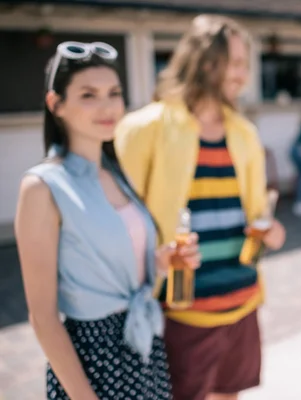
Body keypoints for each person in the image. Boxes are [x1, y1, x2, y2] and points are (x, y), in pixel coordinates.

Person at [14, 41, 200, 400]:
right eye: (88, 95)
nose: (107, 106)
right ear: (56, 105)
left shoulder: (117, 175)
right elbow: (43, 317)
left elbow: (120, 268)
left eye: (114, 93)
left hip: (144, 347)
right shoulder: (42, 187)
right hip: (91, 359)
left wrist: (162, 262)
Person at [114, 15, 286, 400]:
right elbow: (117, 223)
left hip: (242, 303)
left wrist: (271, 232)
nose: (244, 74)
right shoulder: (144, 127)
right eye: (236, 63)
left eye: (246, 64)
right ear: (206, 61)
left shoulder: (244, 132)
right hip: (179, 312)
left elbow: (258, 216)